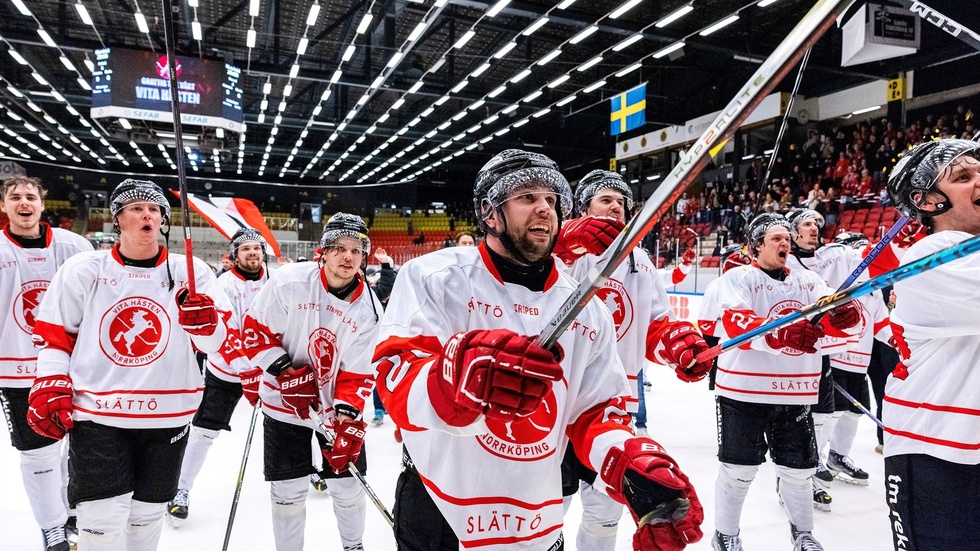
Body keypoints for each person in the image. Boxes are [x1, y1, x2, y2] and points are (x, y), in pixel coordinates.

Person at [374, 149, 704, 551]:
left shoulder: (588, 307)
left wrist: (627, 459)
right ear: (490, 213)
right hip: (438, 500)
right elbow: (396, 379)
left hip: (533, 510)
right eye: (527, 197)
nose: (544, 208)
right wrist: (453, 378)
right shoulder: (435, 277)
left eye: (550, 199)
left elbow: (595, 411)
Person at [28, 179, 229, 551]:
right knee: (100, 522)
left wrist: (206, 323)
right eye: (136, 208)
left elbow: (217, 345)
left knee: (146, 519)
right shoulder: (83, 269)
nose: (147, 215)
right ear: (118, 218)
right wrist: (51, 380)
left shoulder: (193, 272)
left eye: (154, 209)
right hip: (99, 414)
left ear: (164, 221)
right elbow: (56, 337)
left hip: (168, 414)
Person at [553, 169, 712, 550]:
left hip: (609, 405)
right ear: (583, 207)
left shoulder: (639, 260)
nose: (616, 207)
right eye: (605, 200)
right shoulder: (562, 249)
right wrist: (565, 238)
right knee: (546, 510)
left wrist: (677, 347)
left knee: (605, 513)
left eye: (621, 202)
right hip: (555, 401)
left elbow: (652, 329)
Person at [697, 212, 862, 551]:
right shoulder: (737, 277)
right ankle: (726, 534)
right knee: (738, 470)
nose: (785, 241)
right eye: (776, 237)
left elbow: (830, 310)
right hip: (743, 392)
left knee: (800, 471)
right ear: (756, 245)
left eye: (787, 236)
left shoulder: (808, 281)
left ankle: (803, 533)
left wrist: (844, 314)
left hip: (795, 391)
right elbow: (737, 321)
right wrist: (779, 333)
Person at [242, 212, 383, 551]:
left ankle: (354, 546)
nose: (348, 256)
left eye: (356, 249)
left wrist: (347, 419)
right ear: (322, 251)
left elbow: (359, 371)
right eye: (338, 247)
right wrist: (287, 372)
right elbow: (254, 331)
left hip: (333, 410)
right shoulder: (290, 281)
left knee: (348, 488)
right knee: (287, 494)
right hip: (281, 404)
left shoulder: (370, 310)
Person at [883, 138, 980, 551]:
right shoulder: (931, 256)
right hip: (937, 454)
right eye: (963, 177)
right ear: (928, 202)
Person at [0, 176, 93, 551]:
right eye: (15, 197)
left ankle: (71, 510)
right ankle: (52, 525)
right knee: (38, 453)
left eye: (31, 196)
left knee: (80, 446)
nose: (24, 202)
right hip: (16, 371)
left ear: (42, 204)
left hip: (76, 367)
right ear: (4, 206)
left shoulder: (76, 247)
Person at [166, 228, 270, 525]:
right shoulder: (224, 284)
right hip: (227, 372)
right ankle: (179, 490)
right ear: (234, 255)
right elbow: (225, 333)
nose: (252, 253)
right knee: (203, 432)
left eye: (256, 248)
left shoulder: (275, 280)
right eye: (245, 249)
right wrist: (245, 370)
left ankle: (312, 467)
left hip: (268, 369)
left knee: (296, 419)